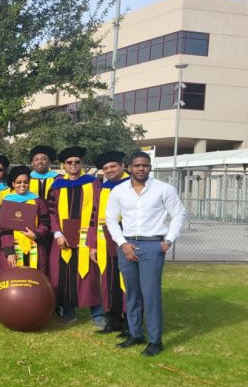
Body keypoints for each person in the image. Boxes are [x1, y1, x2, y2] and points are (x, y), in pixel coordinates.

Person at [106, 151, 186, 357]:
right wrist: (123, 243)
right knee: (132, 293)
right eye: (137, 166)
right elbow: (111, 220)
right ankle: (135, 334)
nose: (141, 169)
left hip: (152, 245)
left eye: (145, 165)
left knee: (151, 294)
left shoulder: (163, 189)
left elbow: (178, 214)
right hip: (127, 245)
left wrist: (168, 241)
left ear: (150, 167)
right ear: (129, 168)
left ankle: (155, 341)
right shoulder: (119, 191)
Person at [46, 146, 104, 327]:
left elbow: (97, 211)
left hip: (87, 238)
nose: (73, 165)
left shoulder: (93, 184)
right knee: (63, 275)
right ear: (63, 165)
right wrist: (57, 234)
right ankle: (68, 312)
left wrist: (92, 239)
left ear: (81, 164)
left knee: (90, 276)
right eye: (69, 162)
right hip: (62, 239)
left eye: (77, 162)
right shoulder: (56, 187)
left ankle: (97, 313)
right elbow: (51, 213)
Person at [90, 151, 130, 336]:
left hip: (128, 237)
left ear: (122, 165)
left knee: (128, 280)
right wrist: (93, 245)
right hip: (104, 238)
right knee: (108, 279)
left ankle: (130, 322)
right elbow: (93, 215)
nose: (109, 170)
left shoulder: (134, 185)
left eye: (113, 166)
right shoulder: (102, 189)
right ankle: (113, 320)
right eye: (105, 168)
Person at [0, 166, 51, 272]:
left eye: (25, 182)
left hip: (35, 245)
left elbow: (45, 221)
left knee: (36, 279)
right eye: (19, 182)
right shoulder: (8, 201)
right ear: (13, 184)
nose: (22, 185)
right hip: (15, 247)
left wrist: (36, 234)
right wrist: (9, 252)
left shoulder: (37, 200)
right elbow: (4, 229)